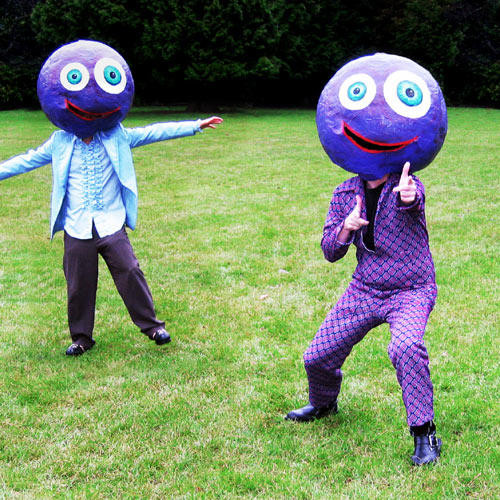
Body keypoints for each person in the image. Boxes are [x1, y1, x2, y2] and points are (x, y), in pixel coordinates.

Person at [0, 40, 223, 355]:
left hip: (110, 221)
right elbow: (25, 160)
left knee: (130, 270)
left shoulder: (118, 135)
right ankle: (81, 338)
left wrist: (194, 126)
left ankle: (153, 327)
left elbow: (154, 131)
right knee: (78, 284)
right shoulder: (59, 142)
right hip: (78, 225)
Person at [286, 53, 447, 466]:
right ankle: (323, 404)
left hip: (411, 289)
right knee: (316, 357)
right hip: (366, 288)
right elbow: (330, 252)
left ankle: (424, 433)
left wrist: (410, 197)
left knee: (406, 347)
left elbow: (415, 202)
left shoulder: (407, 185)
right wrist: (346, 227)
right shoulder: (344, 192)